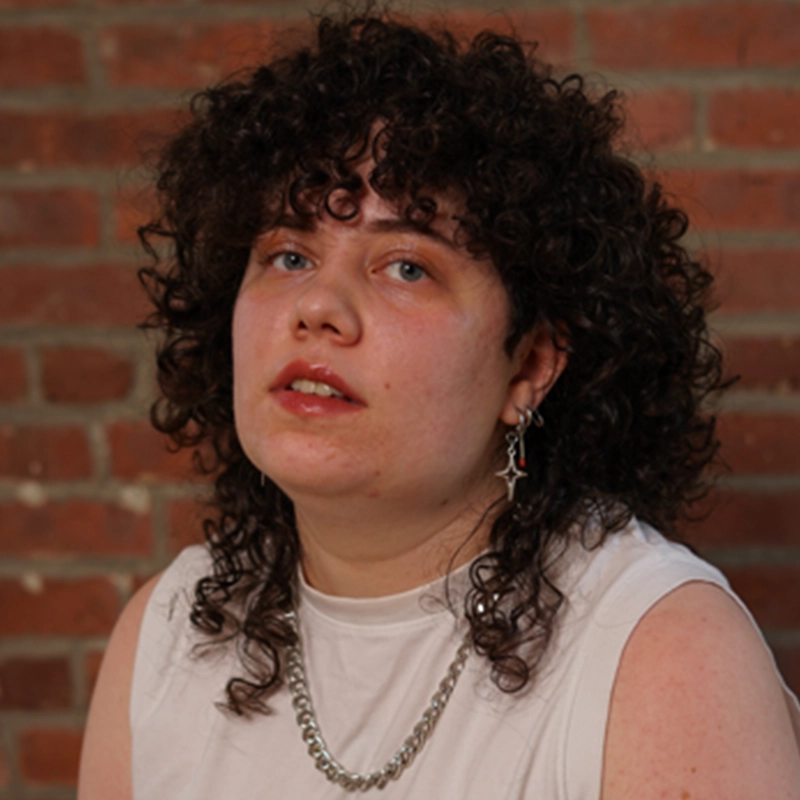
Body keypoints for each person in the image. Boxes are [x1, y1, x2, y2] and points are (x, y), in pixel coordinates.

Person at [78, 8, 800, 799]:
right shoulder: (167, 633)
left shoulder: (660, 653)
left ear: (528, 365)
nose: (318, 306)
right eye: (288, 254)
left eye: (406, 267)